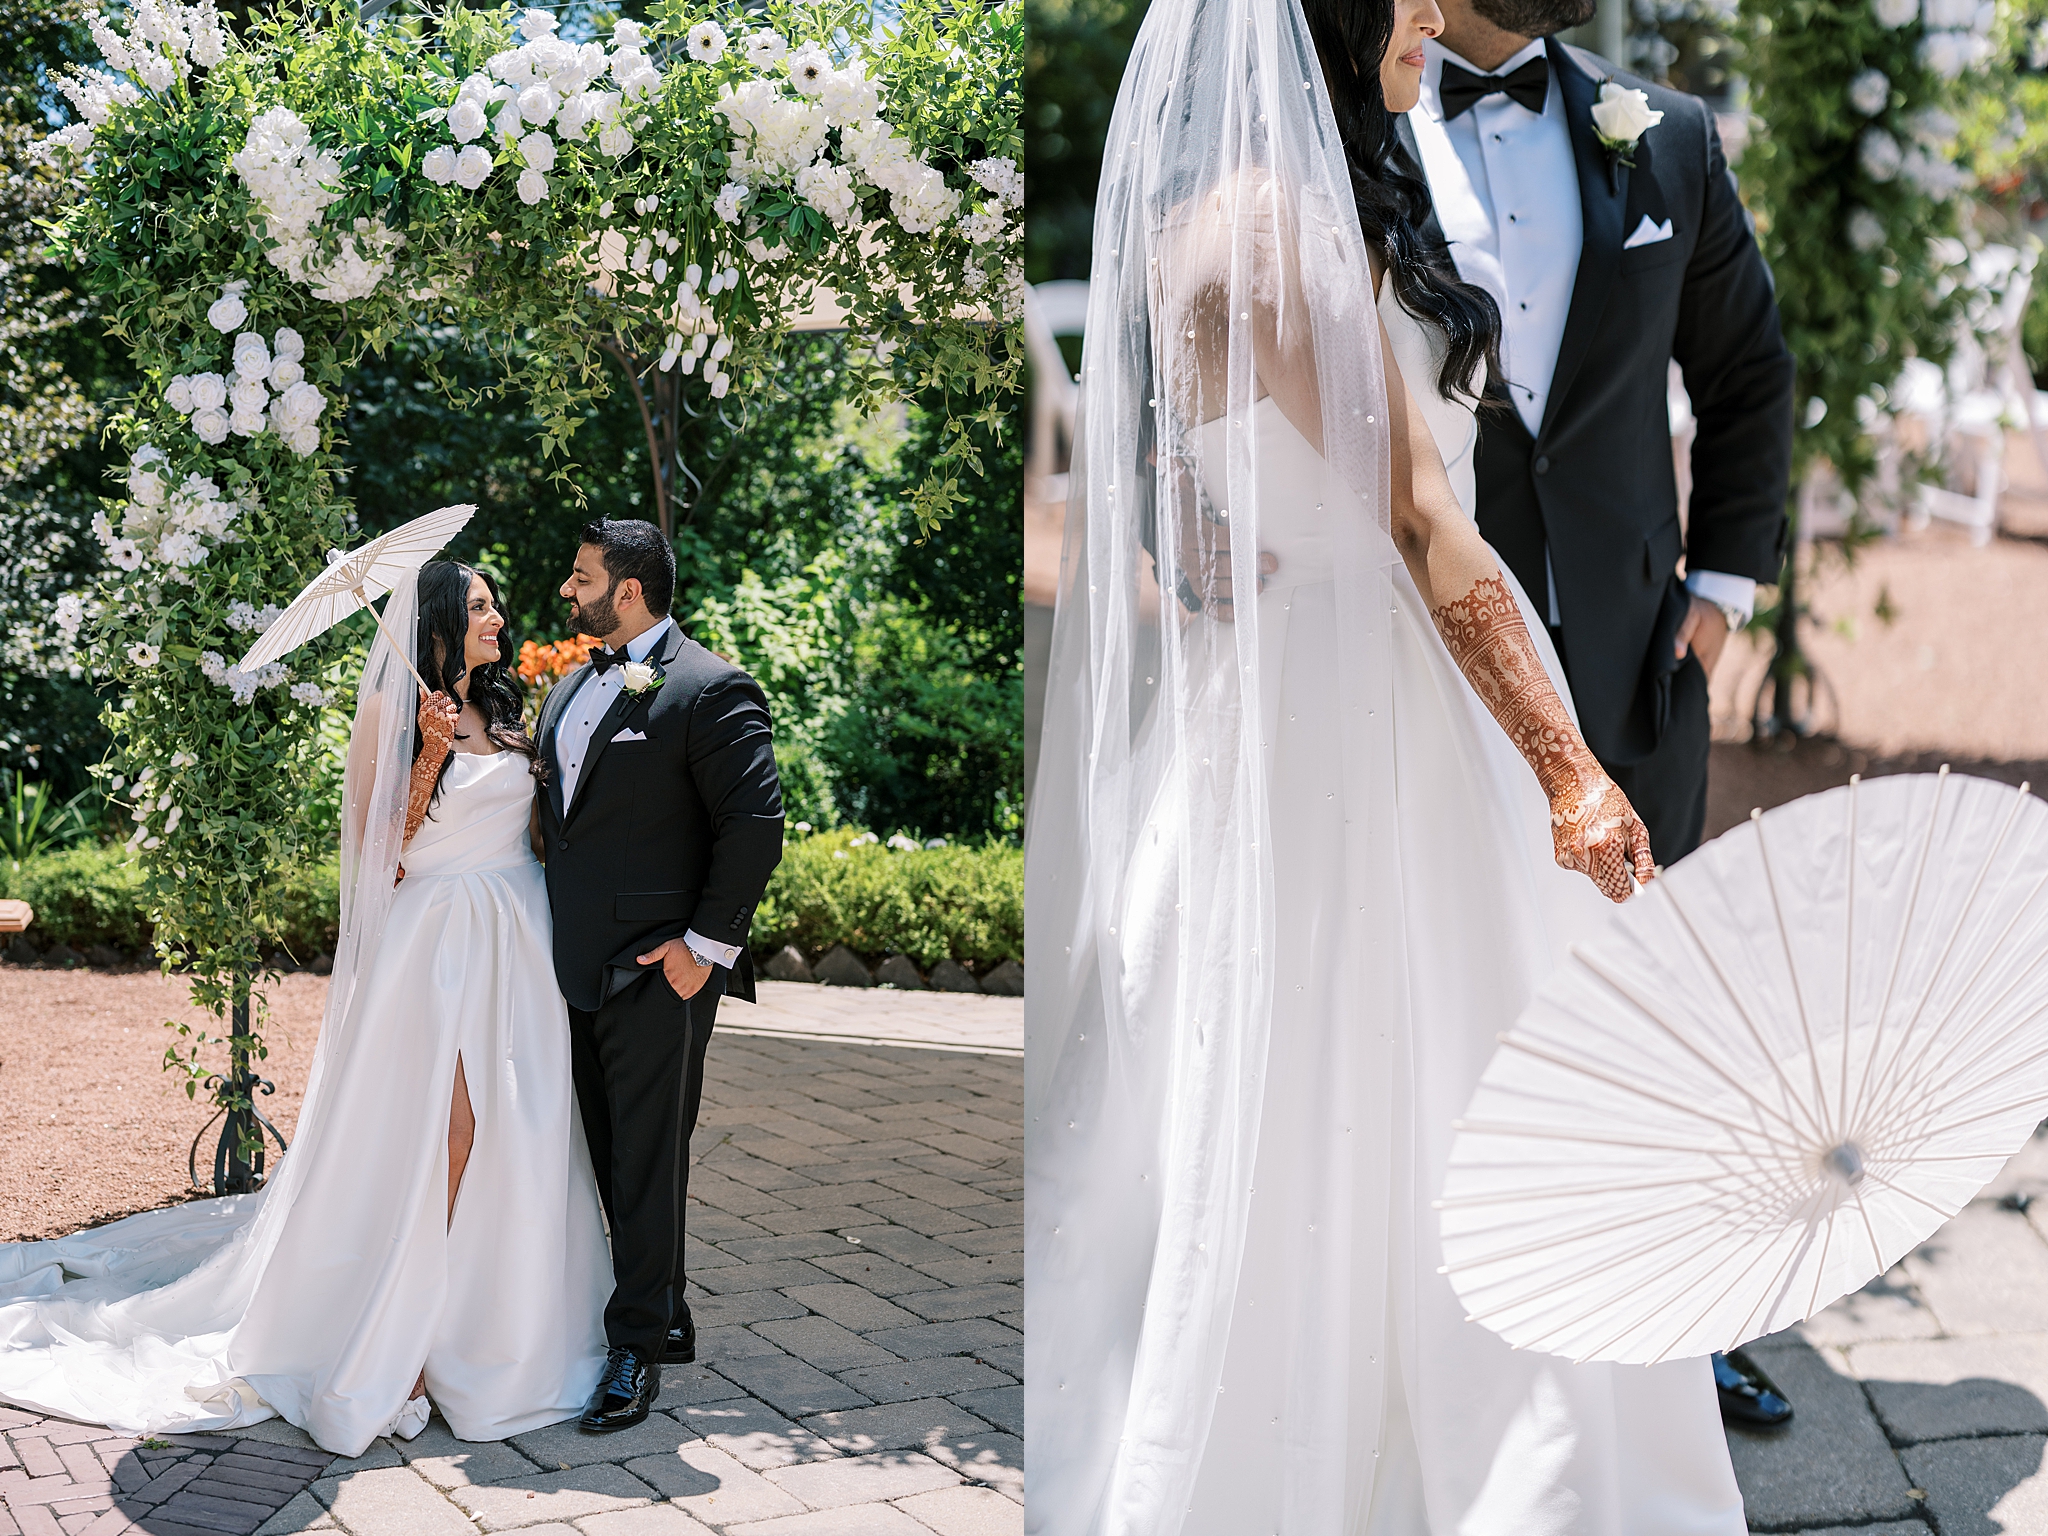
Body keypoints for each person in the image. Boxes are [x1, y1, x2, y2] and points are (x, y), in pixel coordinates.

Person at [1023, 0, 1750, 1526]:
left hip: (1296, 693)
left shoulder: (1239, 213)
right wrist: (1566, 767)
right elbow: (1421, 518)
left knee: (1324, 1084)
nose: (1433, 8)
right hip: (1375, 706)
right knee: (1425, 1075)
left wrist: (1206, 517)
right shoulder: (1281, 228)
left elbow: (1186, 456)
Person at [0, 561, 612, 1456]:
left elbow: (535, 833)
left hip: (518, 937)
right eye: (480, 606)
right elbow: (380, 853)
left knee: (525, 1129)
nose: (498, 616)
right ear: (442, 622)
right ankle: (401, 1337)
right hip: (439, 948)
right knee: (453, 1135)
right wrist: (428, 752)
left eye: (495, 604)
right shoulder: (395, 713)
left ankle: (500, 1328)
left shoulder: (510, 709)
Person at [535, 519, 785, 1433]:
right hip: (570, 967)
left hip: (658, 972)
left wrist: (702, 948)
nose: (570, 589)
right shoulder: (570, 686)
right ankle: (666, 1308)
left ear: (628, 590)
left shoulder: (711, 687)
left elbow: (755, 826)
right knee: (607, 1152)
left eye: (582, 575)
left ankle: (635, 1348)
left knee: (646, 1157)